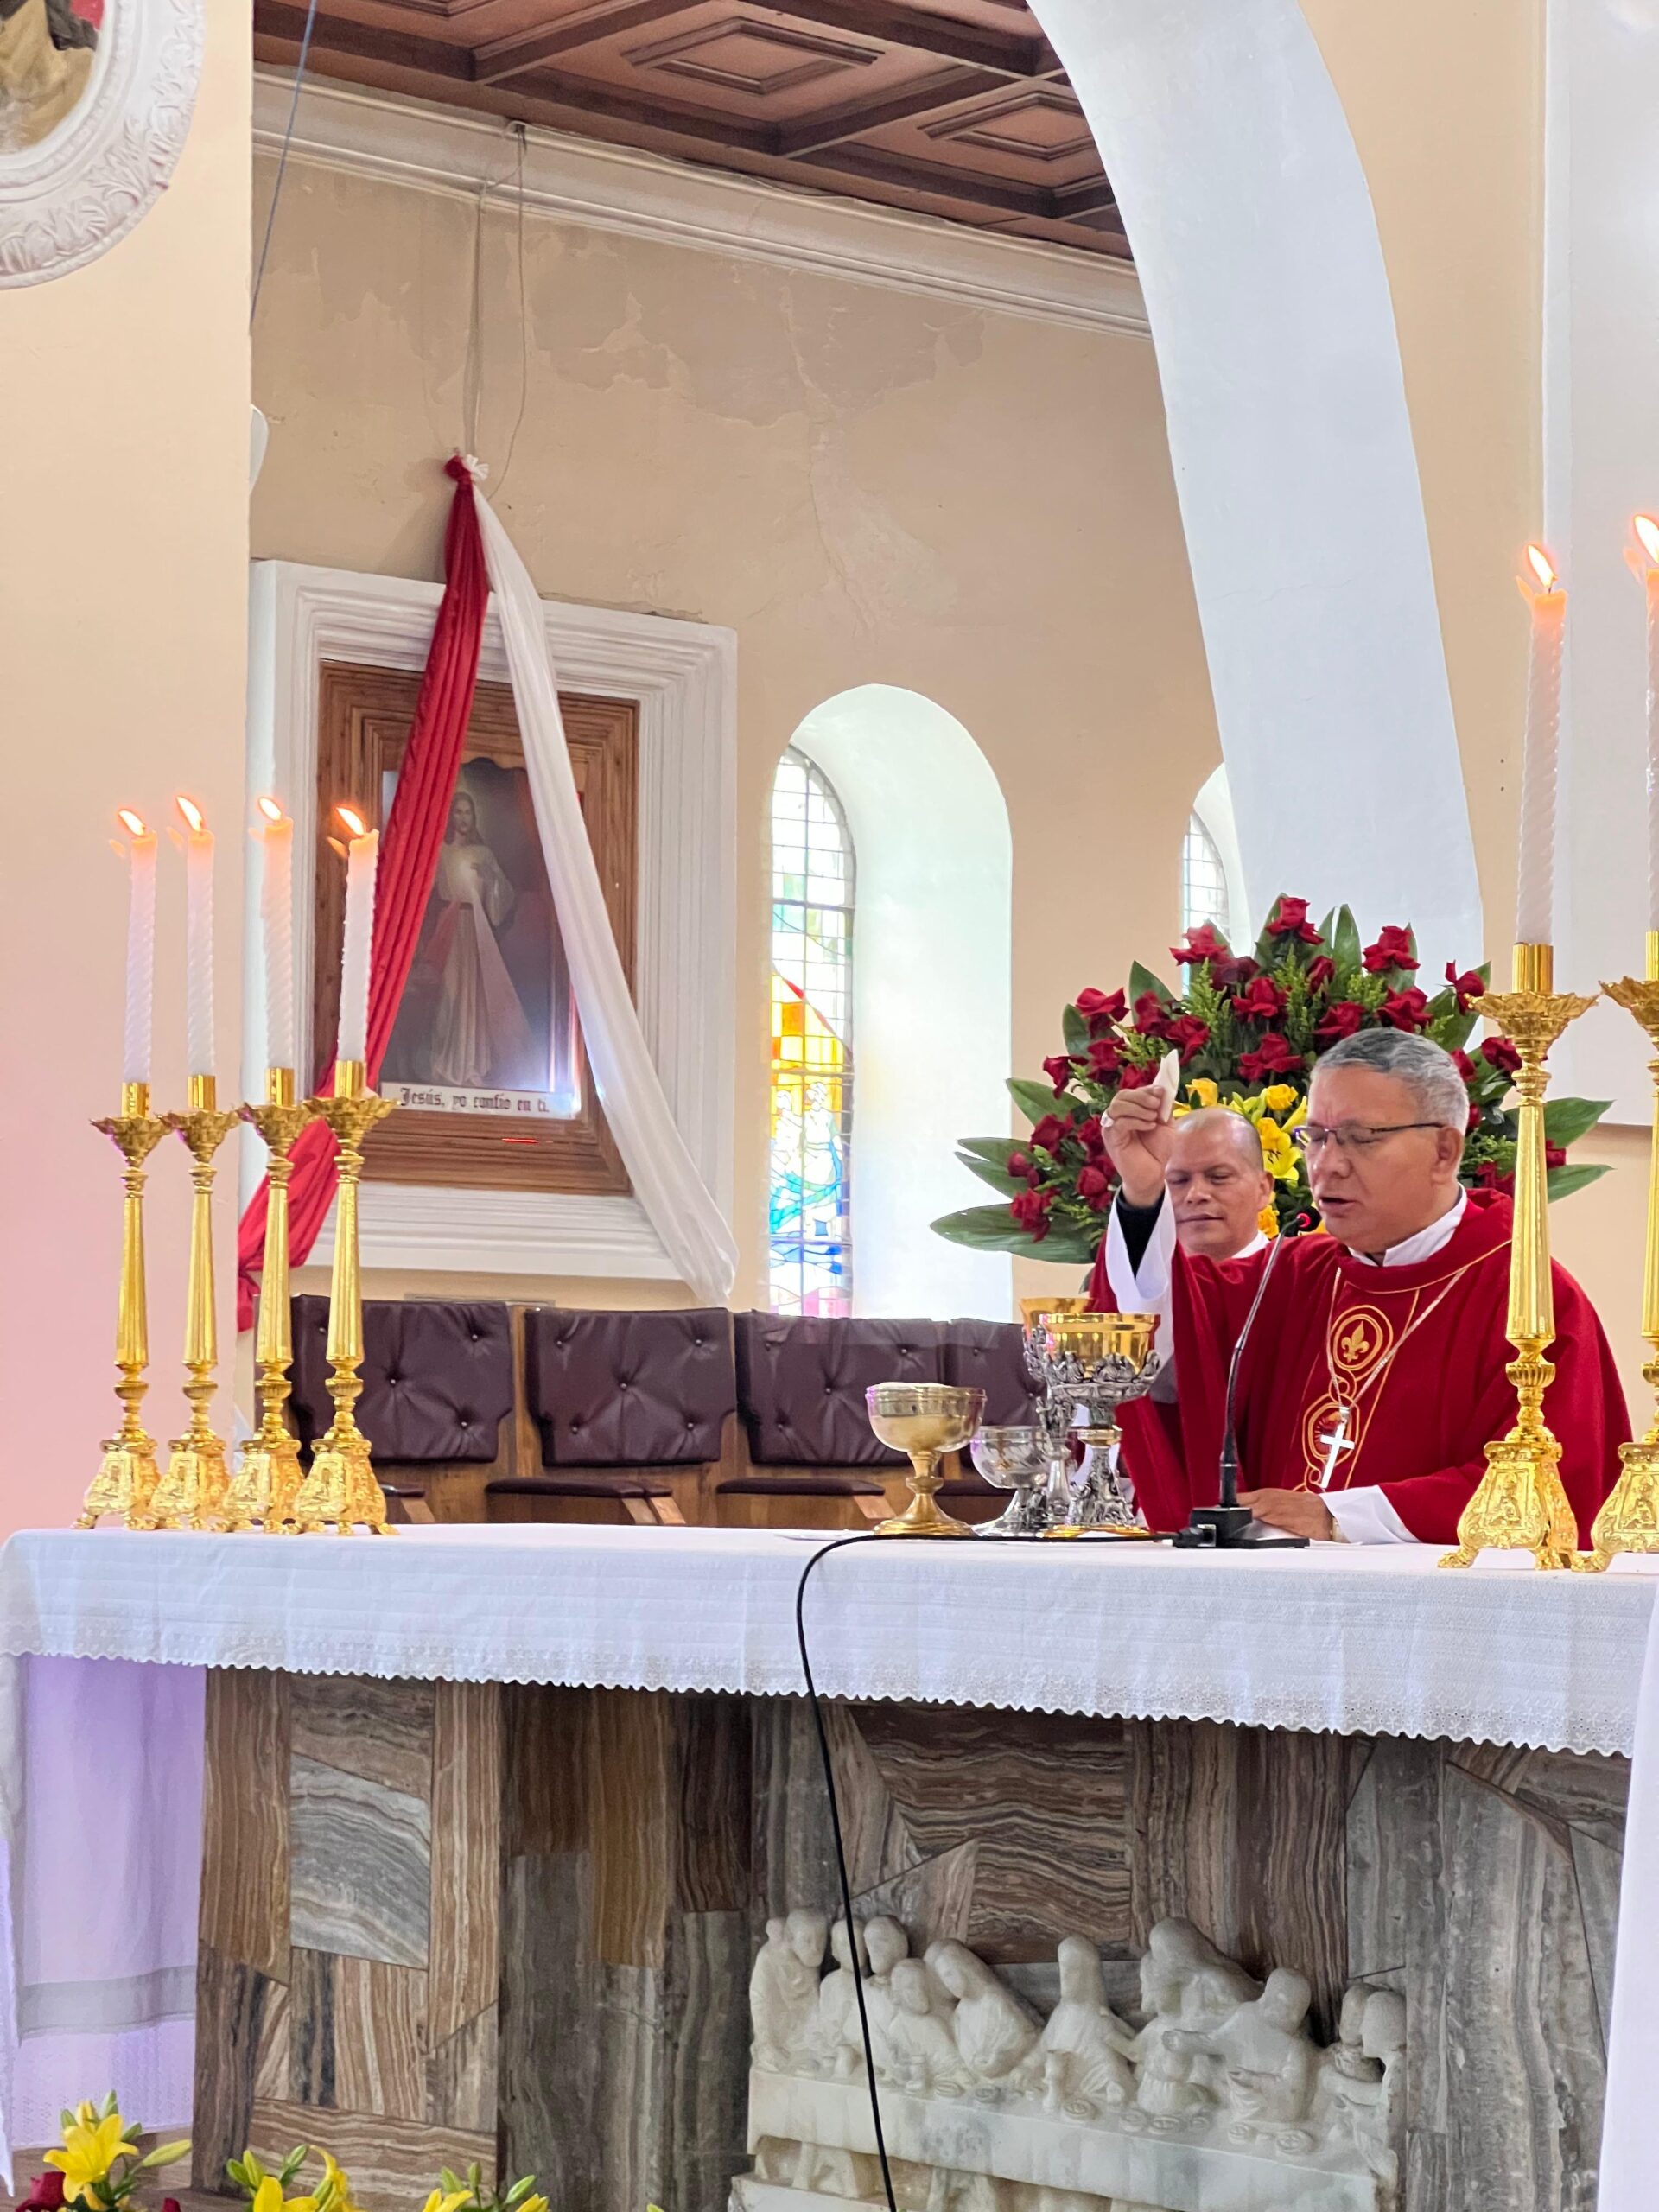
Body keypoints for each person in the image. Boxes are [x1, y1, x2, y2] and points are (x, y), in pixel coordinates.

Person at [1097, 1027, 1628, 1543]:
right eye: (1317, 1138)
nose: (1327, 1165)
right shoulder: (1293, 1275)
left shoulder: (1531, 1298)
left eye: (1360, 1138)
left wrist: (1338, 1516)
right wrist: (1145, 1193)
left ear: (1445, 1151)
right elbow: (1169, 1354)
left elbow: (1550, 1487)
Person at [426, 787, 538, 1090]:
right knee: (450, 998)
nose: (463, 817)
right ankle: (445, 1062)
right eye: (458, 811)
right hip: (450, 927)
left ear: (474, 816)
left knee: (473, 997)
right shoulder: (442, 852)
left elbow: (502, 897)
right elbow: (429, 891)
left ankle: (474, 1064)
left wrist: (491, 881)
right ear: (451, 817)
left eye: (468, 812)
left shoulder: (483, 854)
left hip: (475, 929)